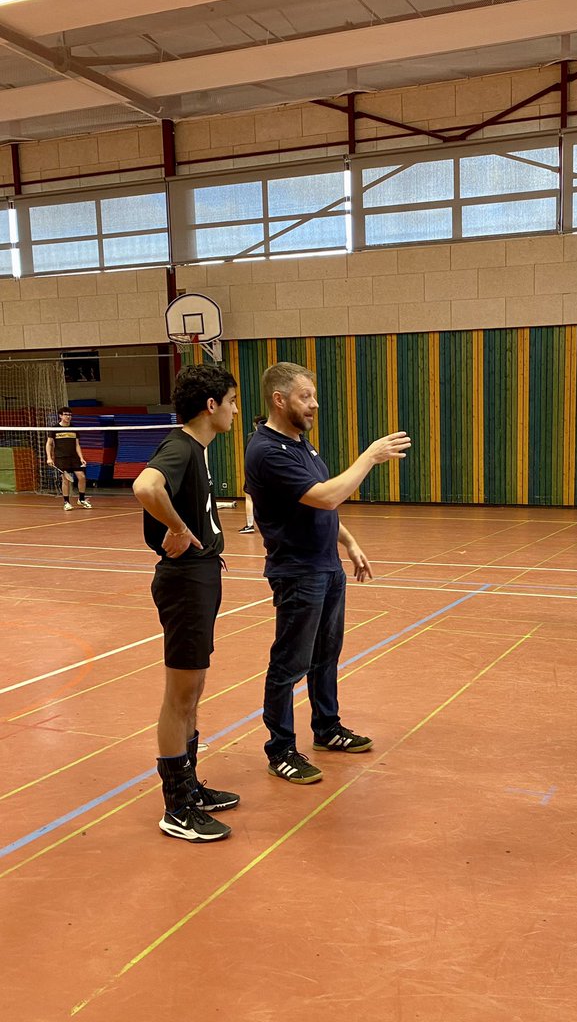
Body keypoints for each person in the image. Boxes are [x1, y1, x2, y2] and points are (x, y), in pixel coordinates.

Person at [244, 361, 411, 785]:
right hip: (298, 573)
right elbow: (326, 494)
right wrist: (369, 457)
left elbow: (324, 507)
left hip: (326, 567)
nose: (314, 404)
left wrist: (349, 543)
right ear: (279, 400)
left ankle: (327, 728)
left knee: (326, 656)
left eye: (314, 396)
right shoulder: (266, 450)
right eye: (306, 397)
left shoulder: (302, 445)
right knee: (289, 663)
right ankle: (280, 748)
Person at [132, 364, 241, 843]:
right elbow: (145, 487)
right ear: (211, 405)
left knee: (192, 691)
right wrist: (177, 529)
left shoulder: (197, 451)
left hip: (199, 578)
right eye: (233, 402)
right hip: (183, 583)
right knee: (180, 696)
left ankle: (189, 786)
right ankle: (176, 808)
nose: (237, 411)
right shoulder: (179, 447)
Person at [46, 407, 91, 510]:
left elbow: (77, 445)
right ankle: (66, 502)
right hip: (61, 457)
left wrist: (81, 458)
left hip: (74, 457)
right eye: (66, 414)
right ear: (60, 416)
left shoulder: (74, 428)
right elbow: (49, 444)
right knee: (65, 479)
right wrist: (49, 458)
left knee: (82, 477)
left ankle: (81, 499)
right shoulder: (54, 428)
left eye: (70, 415)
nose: (68, 417)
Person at [239, 415, 266, 533]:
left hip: (254, 472)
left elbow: (248, 456)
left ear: (255, 425)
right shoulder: (274, 436)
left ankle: (250, 525)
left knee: (249, 497)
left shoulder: (252, 437)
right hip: (269, 472)